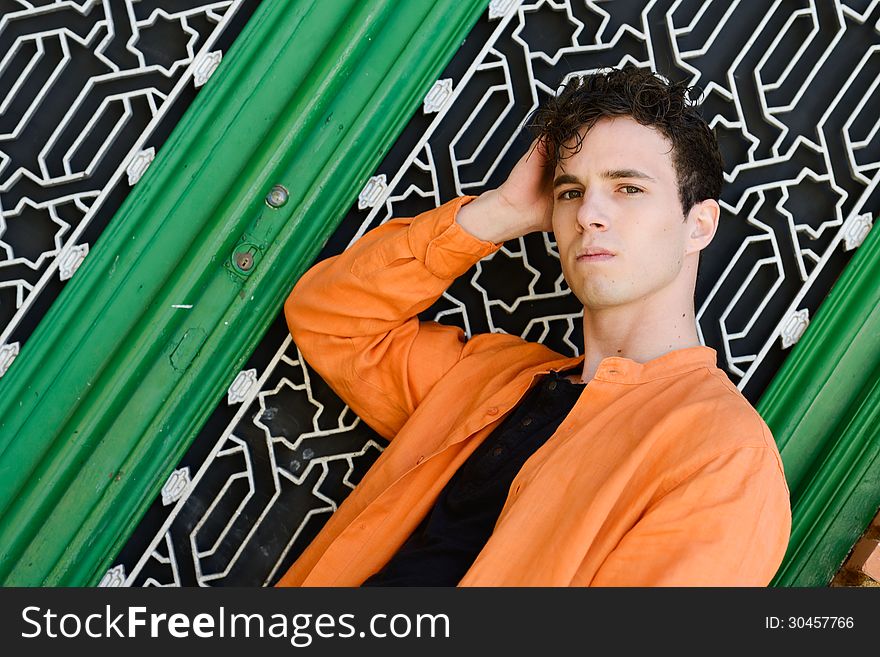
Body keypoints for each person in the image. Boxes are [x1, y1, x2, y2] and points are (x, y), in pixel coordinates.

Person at [275, 65, 791, 587]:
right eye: (570, 192)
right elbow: (330, 319)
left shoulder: (725, 458)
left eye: (628, 189)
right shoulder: (489, 376)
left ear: (698, 225)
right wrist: (501, 212)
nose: (590, 212)